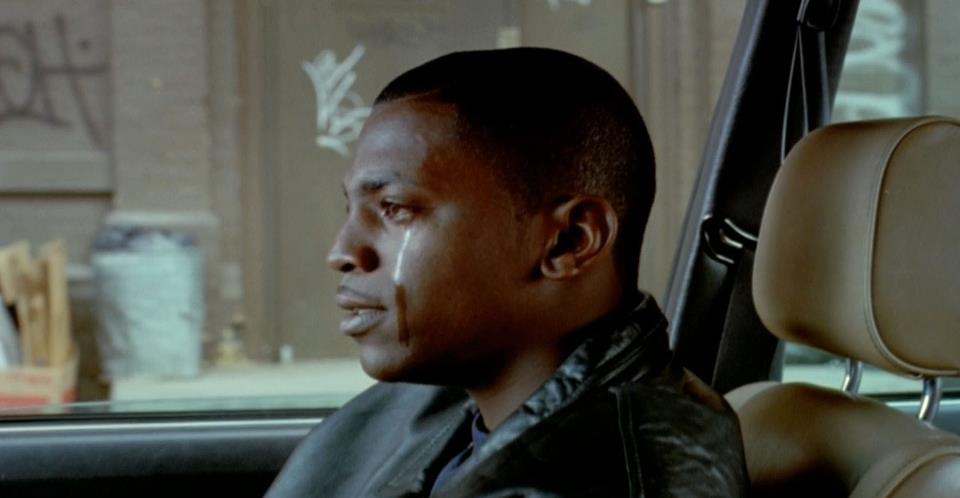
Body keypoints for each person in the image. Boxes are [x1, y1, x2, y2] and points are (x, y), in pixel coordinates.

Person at [266, 47, 747, 498]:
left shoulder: (597, 476)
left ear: (569, 241)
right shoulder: (448, 403)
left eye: (395, 209)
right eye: (351, 208)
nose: (342, 253)